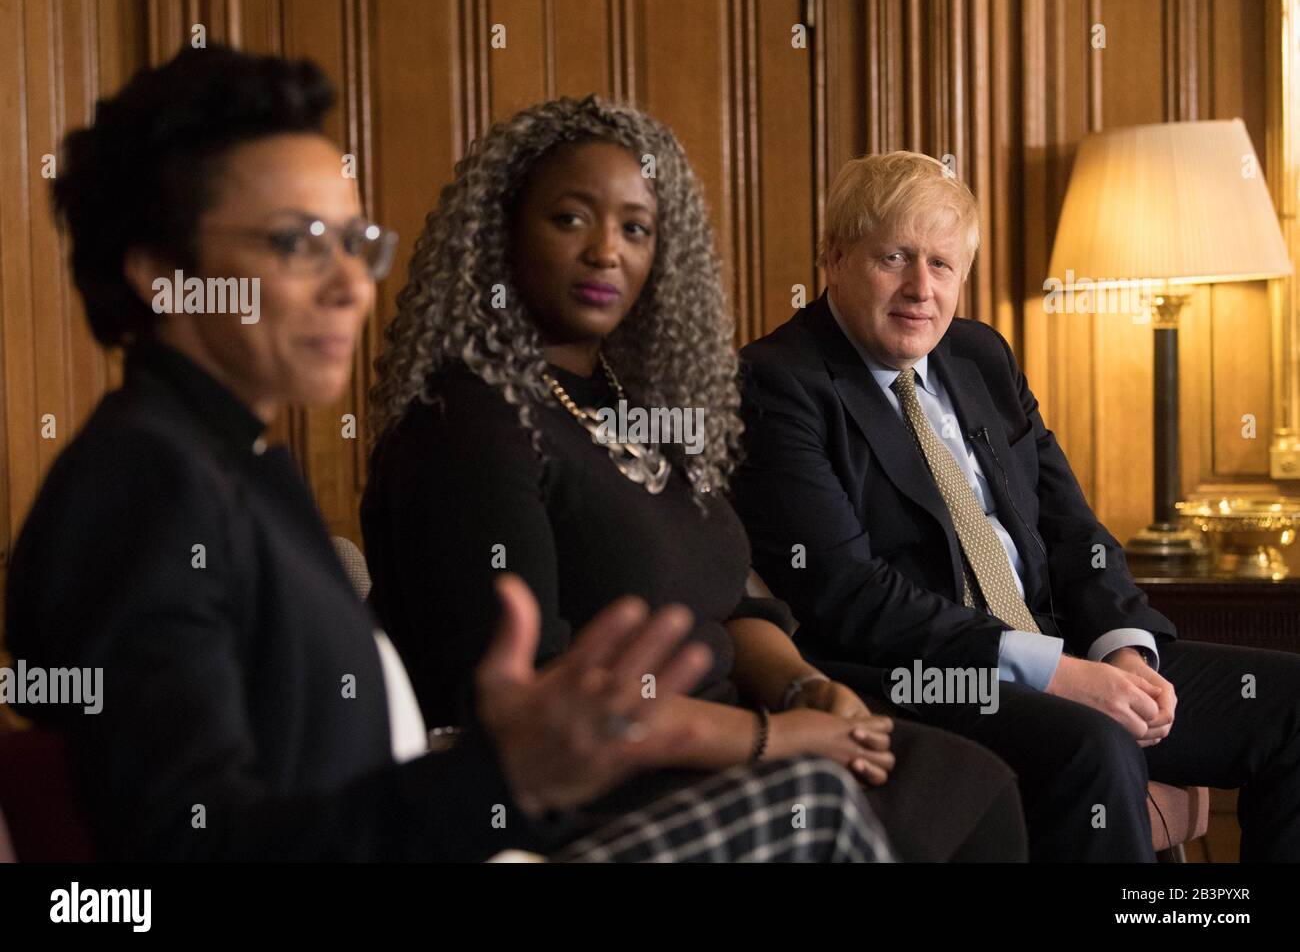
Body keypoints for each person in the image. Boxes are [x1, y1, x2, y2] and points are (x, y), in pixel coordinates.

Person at [3, 45, 893, 864]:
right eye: (297, 243)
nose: (352, 282)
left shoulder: (236, 460)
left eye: (355, 243)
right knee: (814, 805)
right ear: (159, 269)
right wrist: (508, 776)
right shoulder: (142, 487)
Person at [363, 95, 1027, 861]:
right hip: (589, 786)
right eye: (571, 219)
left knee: (966, 779)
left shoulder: (636, 407)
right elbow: (541, 700)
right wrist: (776, 738)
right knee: (880, 799)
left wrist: (805, 689)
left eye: (636, 228)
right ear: (500, 233)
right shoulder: (465, 426)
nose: (607, 251)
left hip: (727, 734)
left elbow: (732, 602)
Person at [732, 150, 1300, 861]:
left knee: (1291, 703)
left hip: (1058, 647)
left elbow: (1072, 529)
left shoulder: (980, 357)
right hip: (916, 675)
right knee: (1093, 746)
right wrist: (1059, 675)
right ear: (834, 257)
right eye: (895, 258)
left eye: (942, 265)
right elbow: (847, 596)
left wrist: (1121, 650)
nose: (920, 288)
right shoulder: (775, 383)